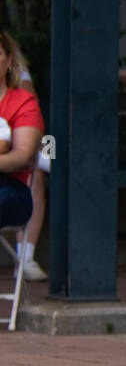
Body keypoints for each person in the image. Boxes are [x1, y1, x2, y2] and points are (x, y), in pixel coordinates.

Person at [9, 42, 48, 280]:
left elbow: (30, 115)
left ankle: (25, 258)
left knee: (36, 172)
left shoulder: (19, 80)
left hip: (17, 149)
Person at [0, 31, 41, 237]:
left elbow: (23, 157)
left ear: (9, 61)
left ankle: (28, 259)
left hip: (9, 186)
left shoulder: (22, 102)